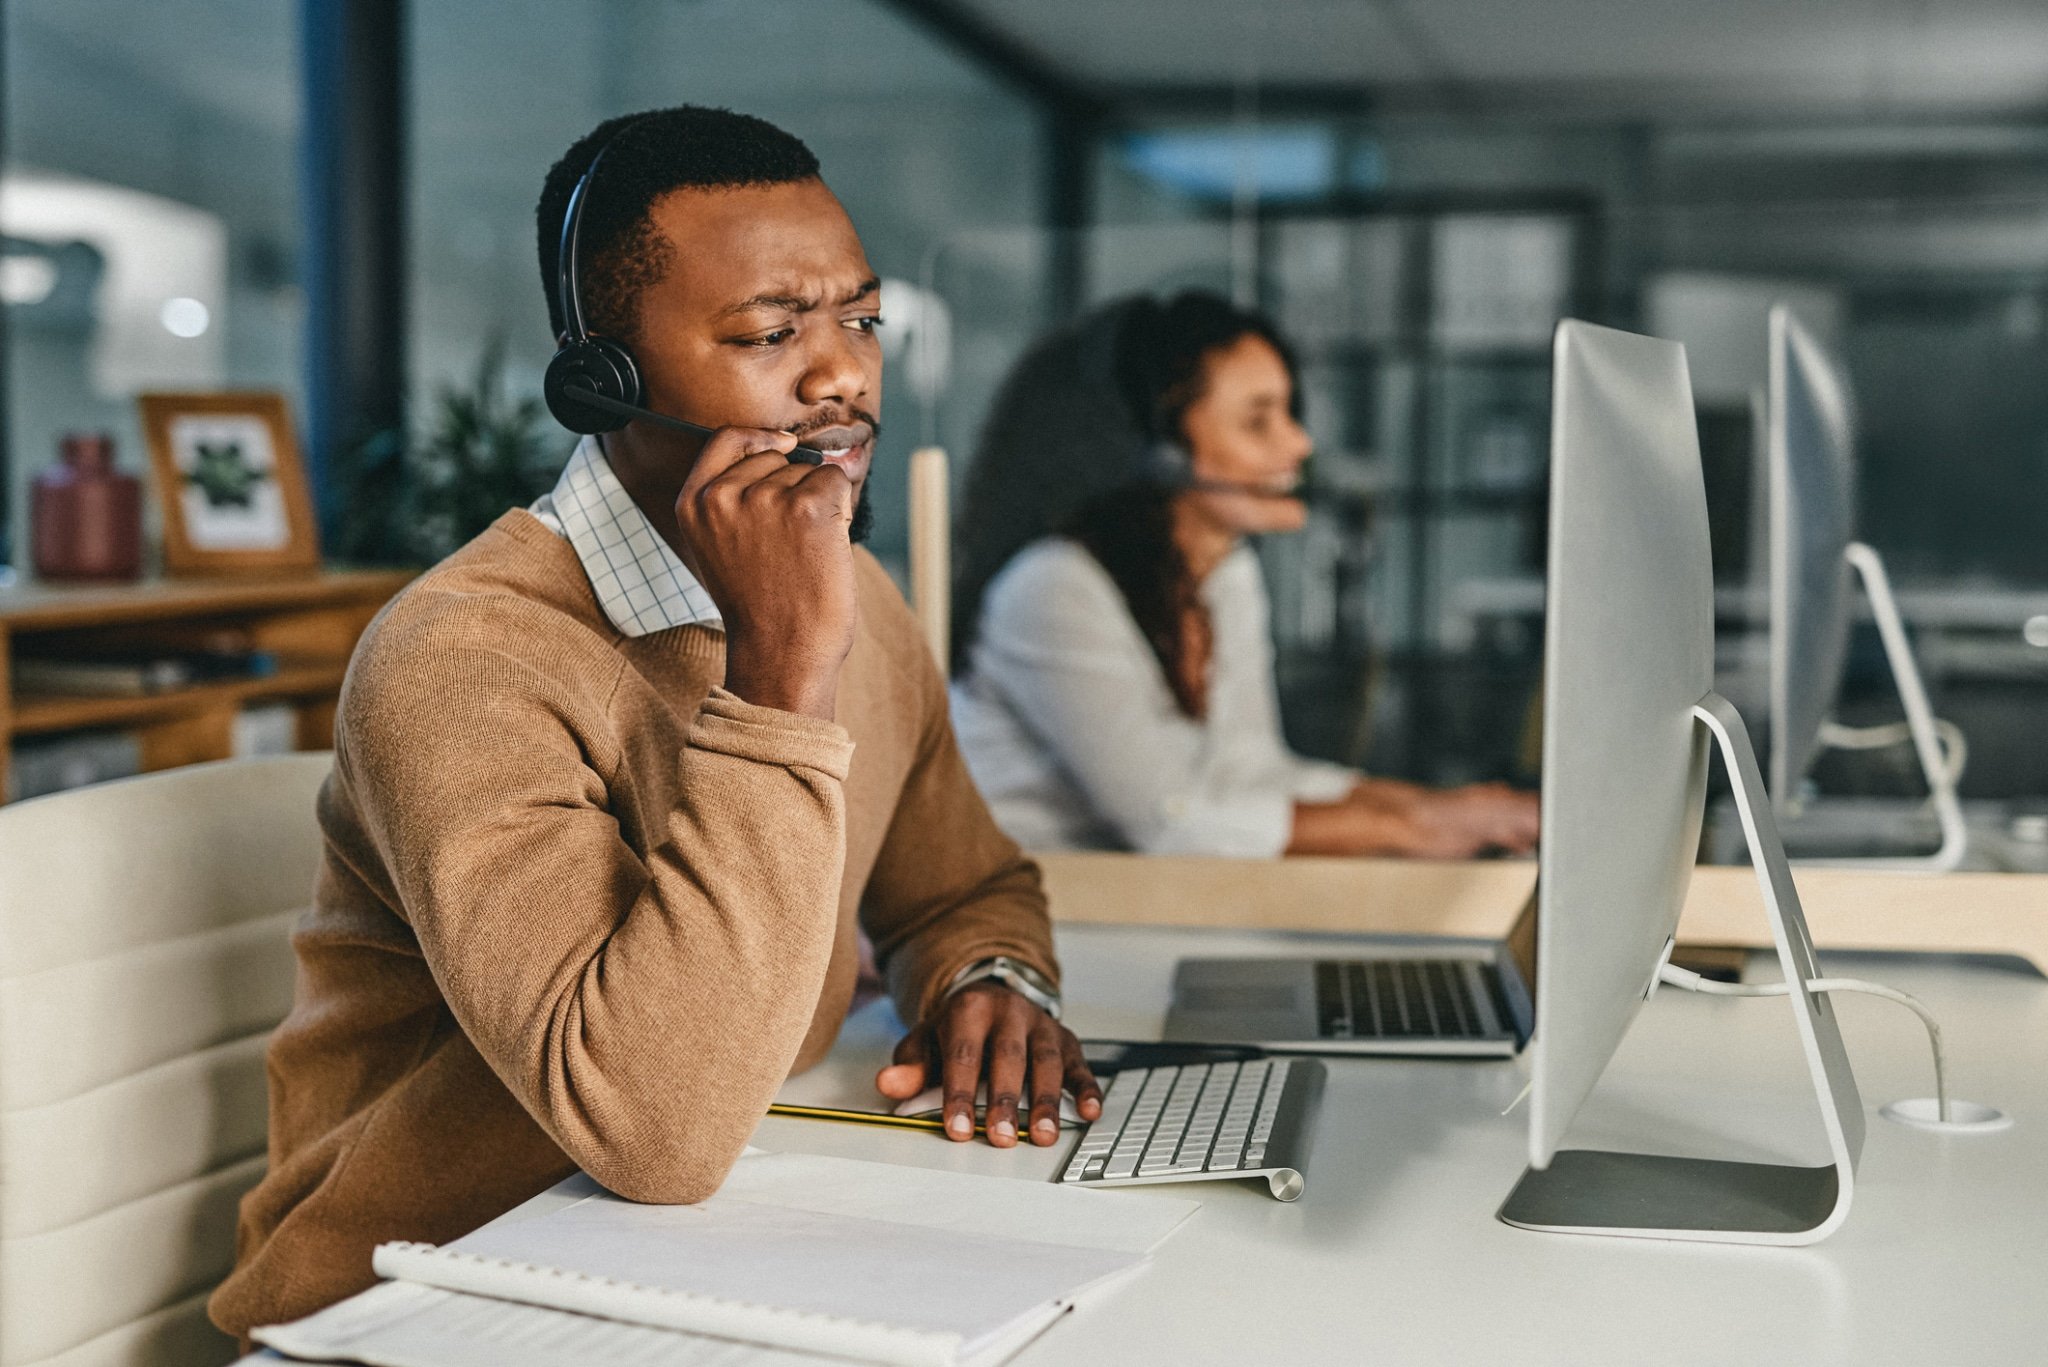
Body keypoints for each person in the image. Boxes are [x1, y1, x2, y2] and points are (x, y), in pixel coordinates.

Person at [211, 106, 1100, 1338]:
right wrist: (784, 675)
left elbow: (961, 883)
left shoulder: (862, 603)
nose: (841, 372)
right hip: (409, 1296)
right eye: (769, 331)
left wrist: (984, 977)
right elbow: (655, 1128)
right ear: (603, 378)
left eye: (859, 318)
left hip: (683, 1255)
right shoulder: (465, 656)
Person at [949, 291, 1539, 860]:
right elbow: (1173, 821)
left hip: (1148, 905)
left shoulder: (1223, 575)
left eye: (1290, 413)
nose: (1300, 443)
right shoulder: (1053, 590)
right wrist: (1409, 827)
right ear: (1161, 456)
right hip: (1048, 918)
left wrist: (1437, 809)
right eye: (1259, 422)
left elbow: (1250, 773)